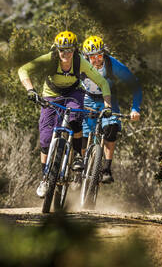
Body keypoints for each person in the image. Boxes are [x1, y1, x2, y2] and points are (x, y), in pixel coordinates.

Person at [18, 31, 112, 198]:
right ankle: (45, 178)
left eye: (69, 50)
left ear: (75, 50)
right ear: (57, 49)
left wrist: (107, 104)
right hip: (51, 95)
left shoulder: (80, 62)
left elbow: (102, 82)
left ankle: (76, 156)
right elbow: (23, 70)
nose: (65, 54)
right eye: (62, 50)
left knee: (75, 120)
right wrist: (30, 90)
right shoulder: (50, 59)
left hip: (73, 93)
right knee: (46, 139)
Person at [80, 35, 142, 183]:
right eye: (92, 57)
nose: (96, 60)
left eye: (99, 56)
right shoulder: (79, 65)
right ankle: (79, 169)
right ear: (85, 57)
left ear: (104, 54)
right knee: (81, 134)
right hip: (87, 98)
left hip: (108, 99)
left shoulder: (112, 65)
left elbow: (135, 85)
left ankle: (106, 169)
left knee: (111, 127)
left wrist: (135, 108)